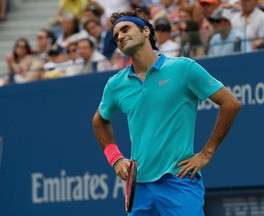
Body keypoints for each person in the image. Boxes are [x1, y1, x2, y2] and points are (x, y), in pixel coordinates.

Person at [92, 9, 241, 215]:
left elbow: (231, 104)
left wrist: (206, 153)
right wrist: (115, 158)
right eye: (116, 36)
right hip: (139, 189)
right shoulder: (115, 85)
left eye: (125, 29)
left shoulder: (184, 68)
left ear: (145, 31)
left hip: (179, 182)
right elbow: (99, 121)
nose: (120, 37)